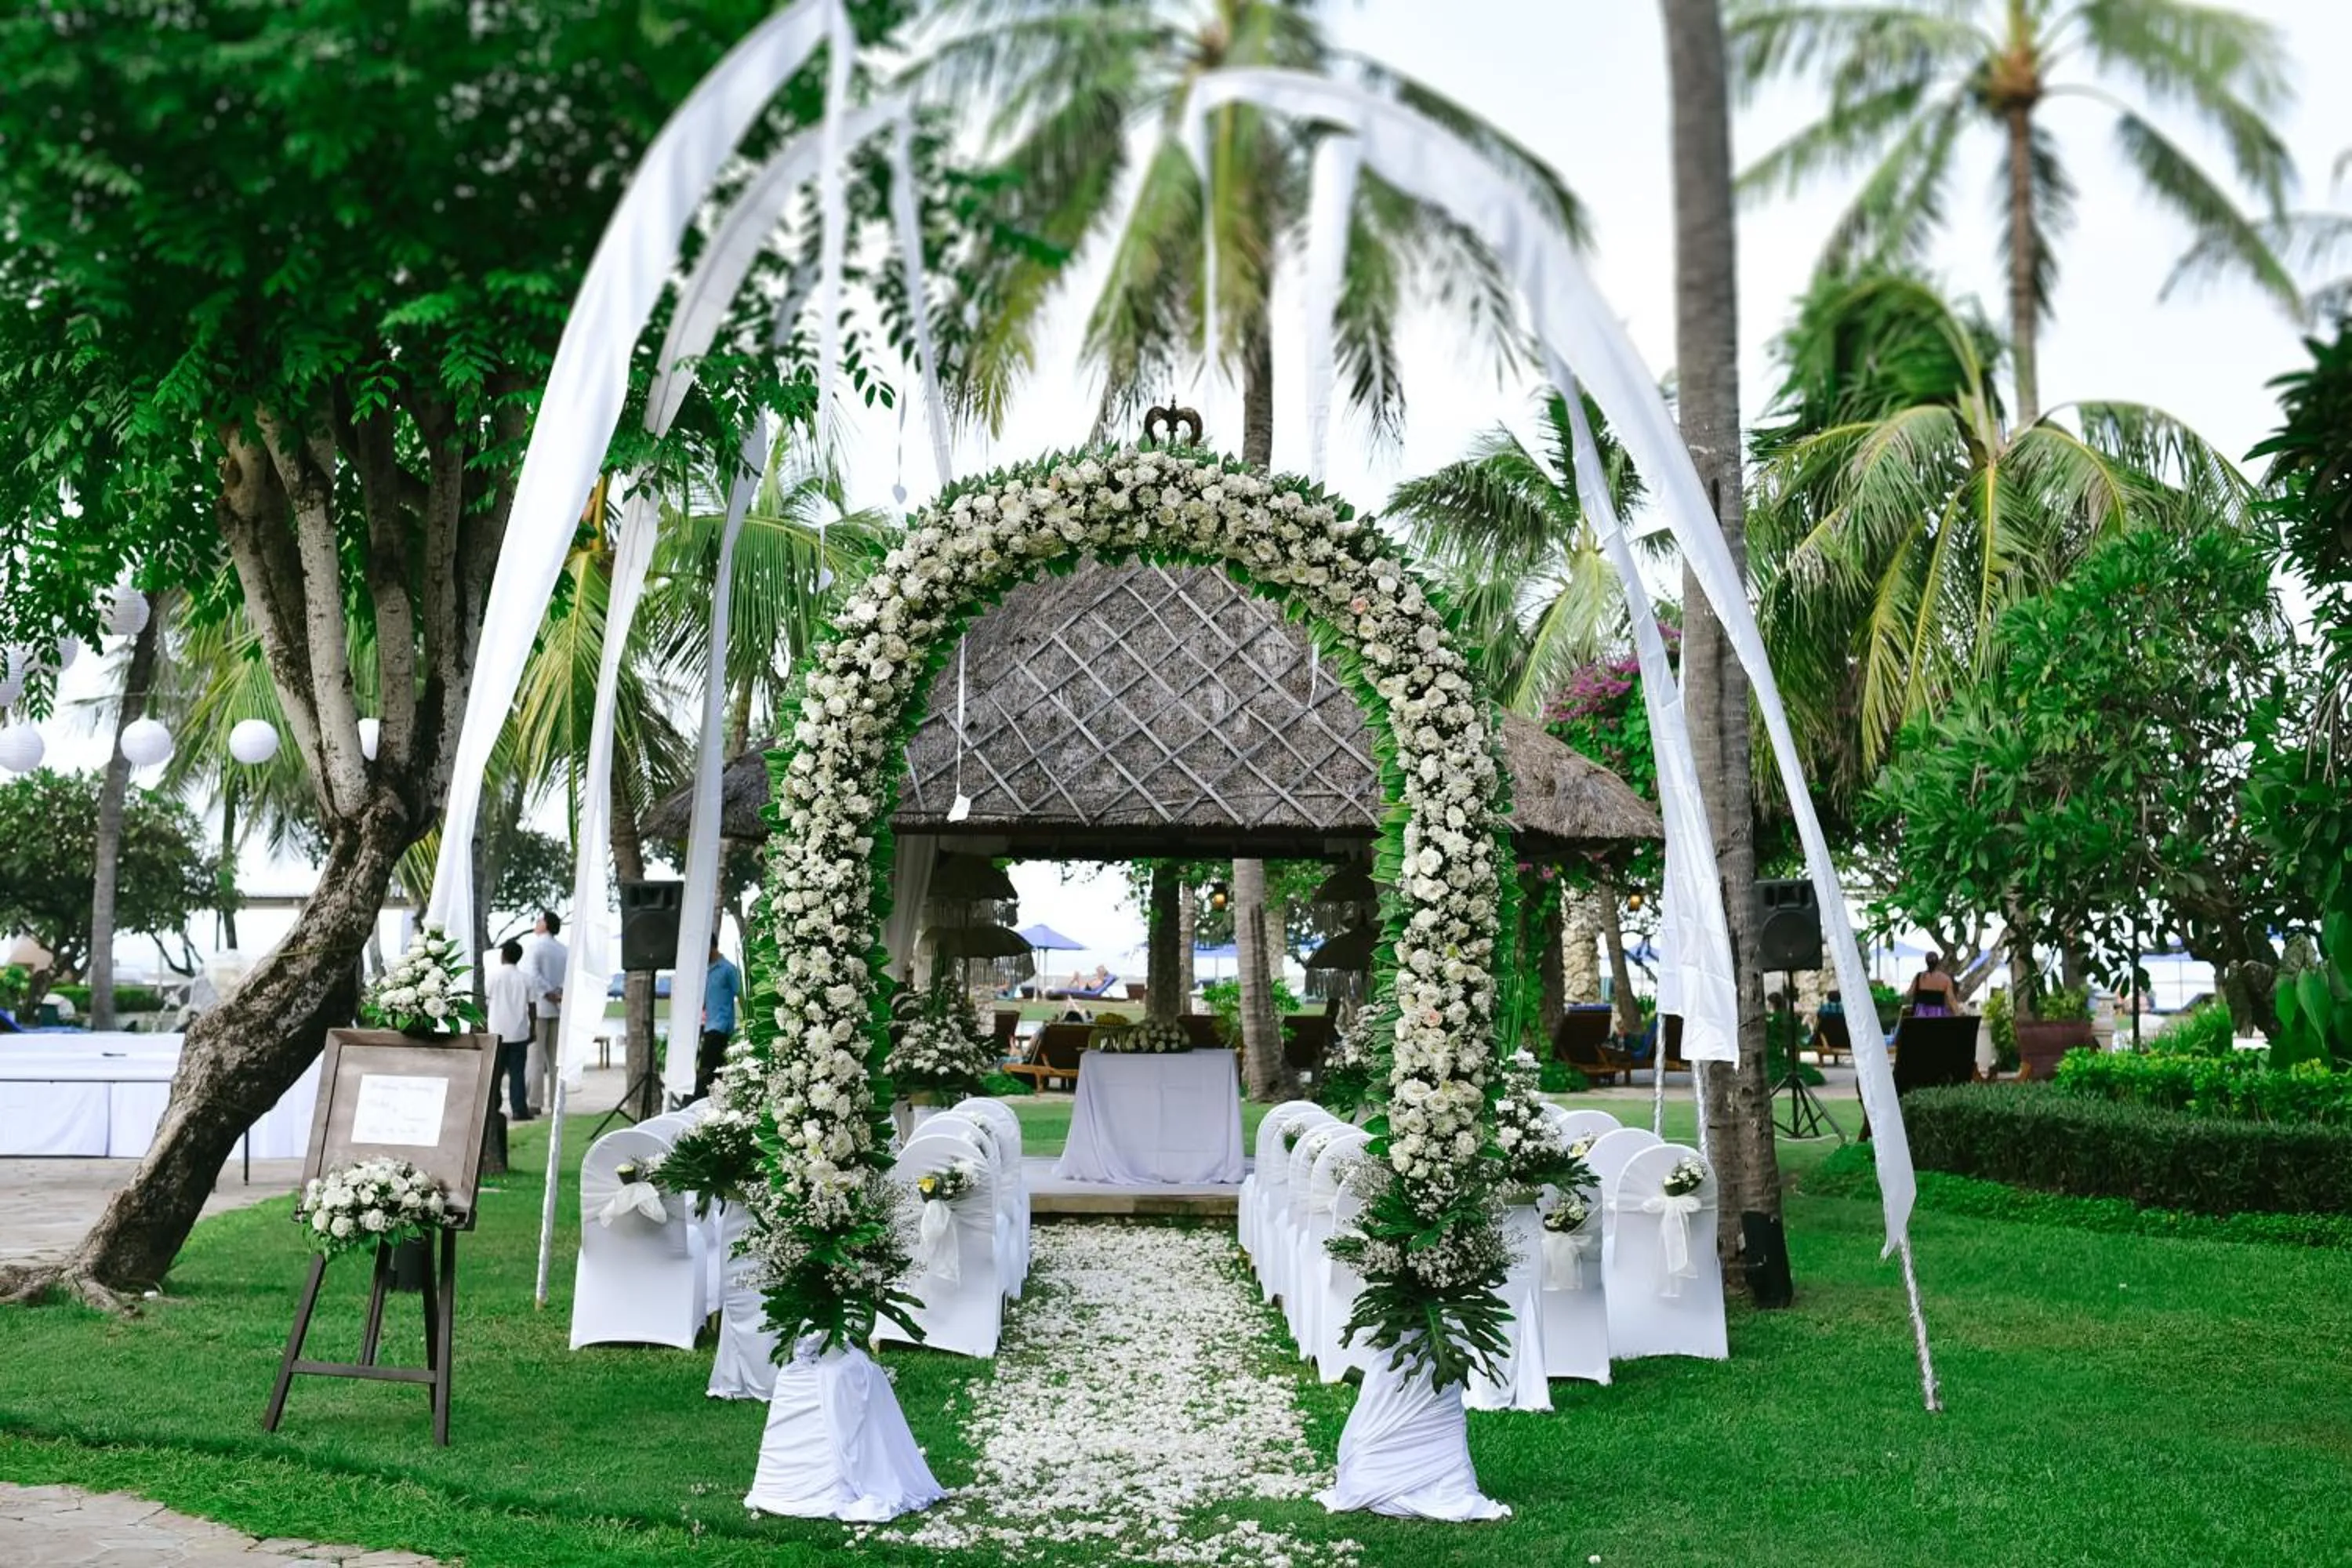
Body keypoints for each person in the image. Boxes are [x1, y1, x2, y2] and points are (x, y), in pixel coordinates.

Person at [485, 939, 540, 1123]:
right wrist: (533, 1028)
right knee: (517, 1073)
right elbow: (532, 1007)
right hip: (518, 1032)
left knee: (495, 1075)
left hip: (496, 1032)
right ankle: (519, 1110)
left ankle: (493, 1108)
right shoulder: (526, 978)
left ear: (503, 955)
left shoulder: (492, 977)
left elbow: (485, 1003)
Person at [521, 909, 567, 1114]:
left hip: (540, 1008)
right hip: (558, 1007)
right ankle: (557, 1101)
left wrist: (548, 992)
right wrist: (558, 993)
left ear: (546, 924)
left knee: (536, 1057)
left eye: (539, 920)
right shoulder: (563, 950)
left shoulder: (535, 947)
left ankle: (535, 1102)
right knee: (556, 1059)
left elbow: (533, 975)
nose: (537, 923)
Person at [696, 934, 742, 1102]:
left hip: (720, 1027)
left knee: (706, 1071)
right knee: (717, 1073)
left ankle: (698, 1102)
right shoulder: (706, 971)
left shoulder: (728, 969)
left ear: (711, 947)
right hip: (708, 1026)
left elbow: (741, 994)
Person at [1907, 954, 1958, 1018]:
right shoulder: (1945, 978)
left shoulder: (1919, 977)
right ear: (1938, 962)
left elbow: (1910, 993)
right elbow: (1951, 999)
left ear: (1926, 962)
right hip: (1939, 1013)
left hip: (1921, 1013)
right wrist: (1957, 1014)